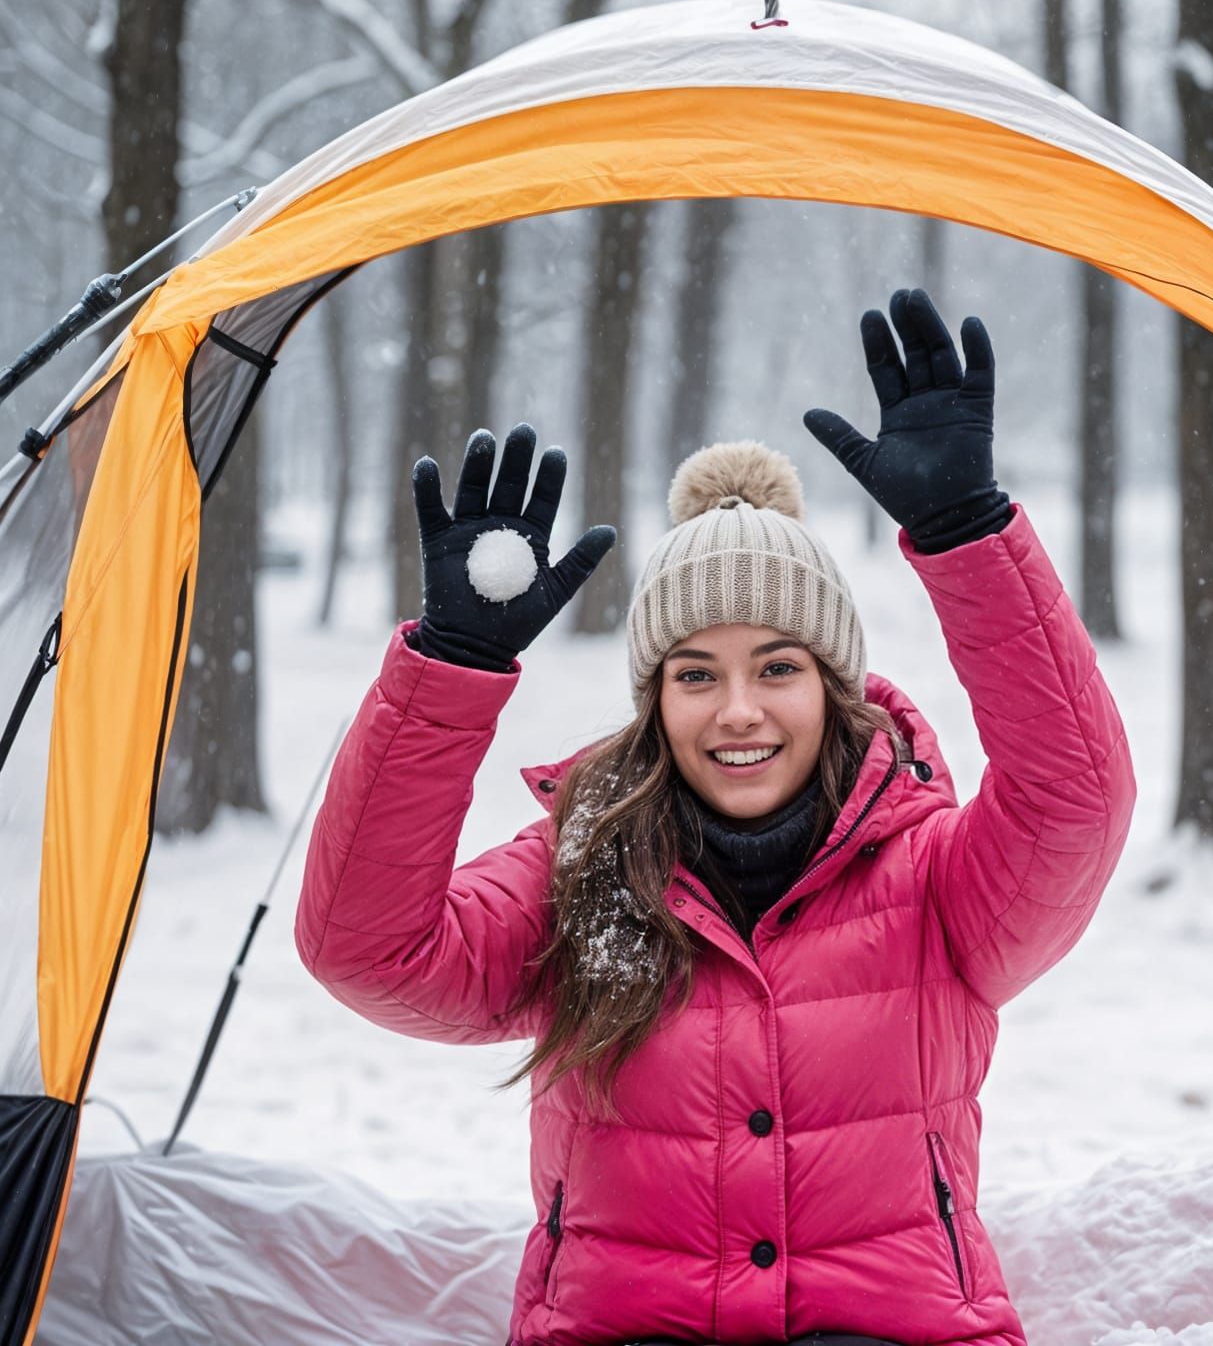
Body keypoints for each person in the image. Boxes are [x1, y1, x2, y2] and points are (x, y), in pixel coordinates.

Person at [296, 289, 1136, 1346]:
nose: (738, 711)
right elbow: (366, 949)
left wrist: (969, 539)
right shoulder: (581, 866)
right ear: (656, 698)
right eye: (696, 675)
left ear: (834, 685)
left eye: (777, 667)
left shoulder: (934, 876)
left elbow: (1076, 800)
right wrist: (454, 670)